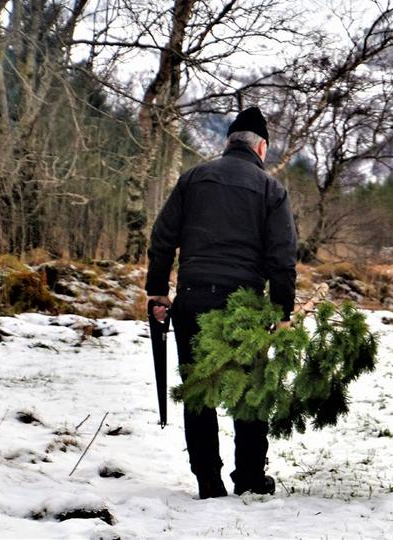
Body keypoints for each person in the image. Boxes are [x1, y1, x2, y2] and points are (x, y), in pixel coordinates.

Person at [145, 107, 297, 499]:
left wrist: (158, 290)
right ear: (261, 147)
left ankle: (207, 479)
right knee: (249, 390)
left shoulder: (192, 179)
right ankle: (248, 476)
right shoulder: (270, 189)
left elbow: (162, 238)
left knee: (199, 390)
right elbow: (282, 258)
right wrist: (282, 313)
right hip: (245, 305)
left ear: (228, 142)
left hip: (193, 299)